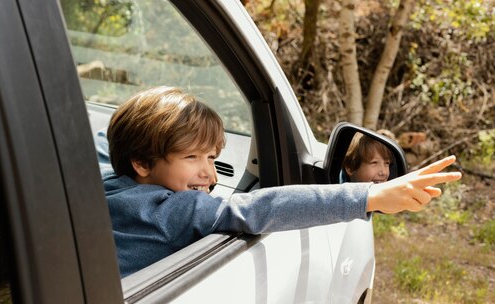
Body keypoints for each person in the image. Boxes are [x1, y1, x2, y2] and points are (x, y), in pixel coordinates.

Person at [98, 86, 461, 277]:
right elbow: (260, 207)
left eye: (212, 157)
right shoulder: (171, 209)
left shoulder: (105, 186)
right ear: (142, 162)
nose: (209, 174)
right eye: (192, 157)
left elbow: (100, 146)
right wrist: (370, 196)